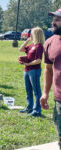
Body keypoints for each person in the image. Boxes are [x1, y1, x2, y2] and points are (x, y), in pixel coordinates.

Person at [40, 8, 61, 149]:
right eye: (53, 19)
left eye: (58, 20)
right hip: (59, 100)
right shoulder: (49, 42)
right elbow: (48, 69)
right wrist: (45, 93)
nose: (53, 22)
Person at [19, 27, 45, 117]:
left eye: (32, 33)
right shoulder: (32, 45)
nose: (30, 35)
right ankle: (29, 107)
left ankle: (37, 111)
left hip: (34, 70)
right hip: (27, 69)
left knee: (36, 91)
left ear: (36, 35)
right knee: (28, 90)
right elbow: (21, 49)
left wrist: (28, 63)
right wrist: (27, 41)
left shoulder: (39, 46)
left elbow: (38, 60)